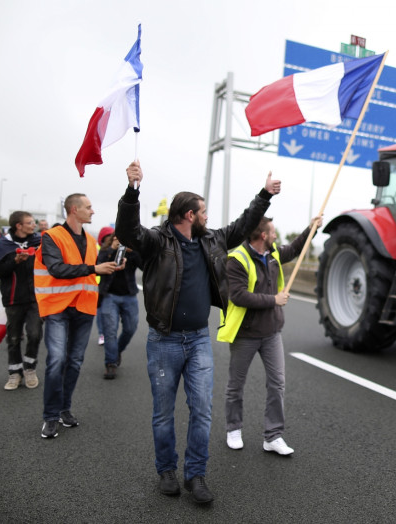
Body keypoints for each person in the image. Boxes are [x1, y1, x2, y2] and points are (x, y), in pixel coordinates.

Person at [115, 160, 280, 504]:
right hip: (164, 341)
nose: (207, 216)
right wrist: (132, 191)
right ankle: (166, 471)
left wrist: (264, 194)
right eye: (203, 211)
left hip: (200, 339)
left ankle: (196, 475)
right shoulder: (156, 242)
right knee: (163, 412)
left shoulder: (212, 241)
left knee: (202, 410)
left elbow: (245, 224)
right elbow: (128, 232)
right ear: (189, 214)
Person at [219, 215, 321, 456]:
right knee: (236, 386)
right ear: (263, 235)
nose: (276, 235)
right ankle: (233, 429)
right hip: (245, 334)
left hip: (272, 333)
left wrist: (312, 228)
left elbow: (296, 248)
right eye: (273, 231)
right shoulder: (236, 260)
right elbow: (239, 296)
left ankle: (273, 436)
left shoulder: (273, 252)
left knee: (277, 384)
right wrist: (274, 300)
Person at [35, 194, 121, 439]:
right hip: (57, 307)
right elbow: (57, 269)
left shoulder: (91, 240)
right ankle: (50, 416)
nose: (93, 211)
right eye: (89, 207)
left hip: (83, 307)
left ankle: (64, 409)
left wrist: (111, 266)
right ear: (74, 210)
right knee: (56, 360)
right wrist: (95, 268)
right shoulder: (52, 237)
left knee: (73, 361)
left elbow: (93, 269)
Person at [0, 211, 43, 390]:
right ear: (18, 226)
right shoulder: (4, 244)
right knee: (13, 338)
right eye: (29, 222)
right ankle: (14, 373)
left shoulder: (39, 242)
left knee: (35, 335)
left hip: (36, 297)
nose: (33, 225)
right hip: (13, 298)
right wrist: (15, 261)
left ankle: (29, 368)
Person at [97, 233, 143, 379]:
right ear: (113, 239)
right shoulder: (105, 251)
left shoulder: (131, 252)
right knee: (110, 331)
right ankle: (110, 363)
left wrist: (134, 251)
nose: (120, 242)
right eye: (117, 239)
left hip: (129, 296)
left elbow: (144, 266)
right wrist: (112, 249)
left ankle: (116, 351)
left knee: (130, 328)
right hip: (109, 296)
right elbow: (98, 264)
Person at [95, 226, 115, 346]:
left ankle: (105, 333)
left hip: (105, 285)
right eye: (107, 238)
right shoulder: (100, 249)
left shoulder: (118, 248)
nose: (110, 240)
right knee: (100, 312)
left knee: (105, 313)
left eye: (111, 237)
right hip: (96, 285)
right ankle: (102, 333)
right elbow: (98, 262)